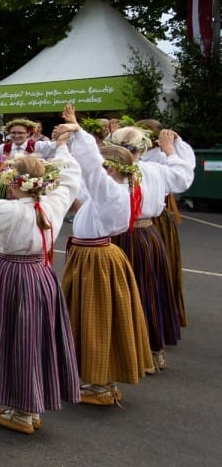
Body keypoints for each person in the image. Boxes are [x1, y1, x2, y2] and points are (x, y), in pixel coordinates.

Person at [0, 130, 82, 435]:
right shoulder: (53, 203)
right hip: (41, 274)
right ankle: (26, 404)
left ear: (14, 183)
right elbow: (71, 177)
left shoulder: (10, 211)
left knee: (17, 338)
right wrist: (63, 150)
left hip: (13, 276)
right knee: (34, 338)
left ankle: (23, 412)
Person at [55, 110, 153, 404]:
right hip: (93, 257)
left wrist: (79, 133)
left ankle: (100, 384)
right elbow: (84, 177)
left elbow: (92, 169)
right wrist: (66, 144)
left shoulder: (111, 190)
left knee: (95, 320)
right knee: (95, 319)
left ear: (110, 169)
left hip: (95, 260)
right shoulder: (113, 190)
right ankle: (97, 380)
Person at [103, 124, 194, 369]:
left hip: (125, 236)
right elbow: (183, 176)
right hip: (146, 235)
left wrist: (169, 150)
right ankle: (152, 351)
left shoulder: (114, 172)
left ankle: (141, 352)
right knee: (150, 290)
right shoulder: (155, 170)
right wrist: (170, 151)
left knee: (134, 291)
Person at [135, 118, 194, 329]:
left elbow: (183, 175)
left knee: (160, 267)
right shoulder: (137, 156)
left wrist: (172, 147)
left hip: (157, 217)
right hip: (136, 218)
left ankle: (164, 313)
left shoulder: (162, 156)